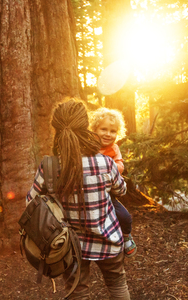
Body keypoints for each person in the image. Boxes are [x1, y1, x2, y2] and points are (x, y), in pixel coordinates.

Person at [26, 99, 131, 299]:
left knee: (77, 292)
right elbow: (122, 190)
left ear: (57, 129)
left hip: (70, 247)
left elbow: (31, 202)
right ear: (86, 127)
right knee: (117, 285)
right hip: (108, 238)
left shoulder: (49, 165)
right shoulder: (106, 162)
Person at [89, 107, 137, 257]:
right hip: (91, 191)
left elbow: (120, 166)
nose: (108, 134)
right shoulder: (90, 146)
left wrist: (108, 165)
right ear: (94, 129)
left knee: (124, 216)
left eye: (113, 131)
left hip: (109, 192)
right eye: (103, 129)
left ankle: (127, 237)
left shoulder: (114, 148)